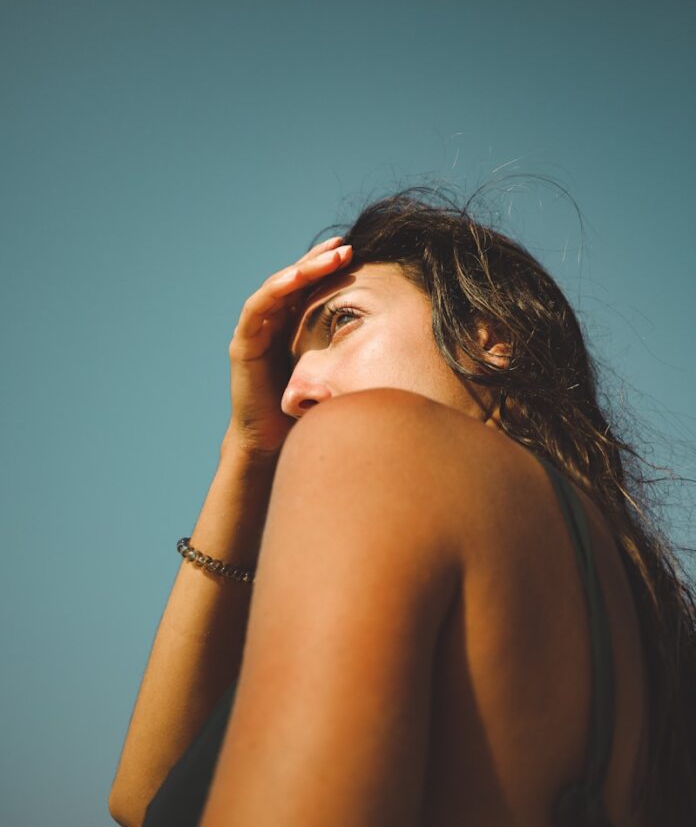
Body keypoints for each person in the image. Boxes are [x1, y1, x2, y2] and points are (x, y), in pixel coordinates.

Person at [109, 187, 696, 827]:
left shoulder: (373, 438)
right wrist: (247, 450)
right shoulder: (646, 623)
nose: (291, 396)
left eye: (342, 321)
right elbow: (144, 800)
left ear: (489, 337)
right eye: (289, 372)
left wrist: (254, 453)